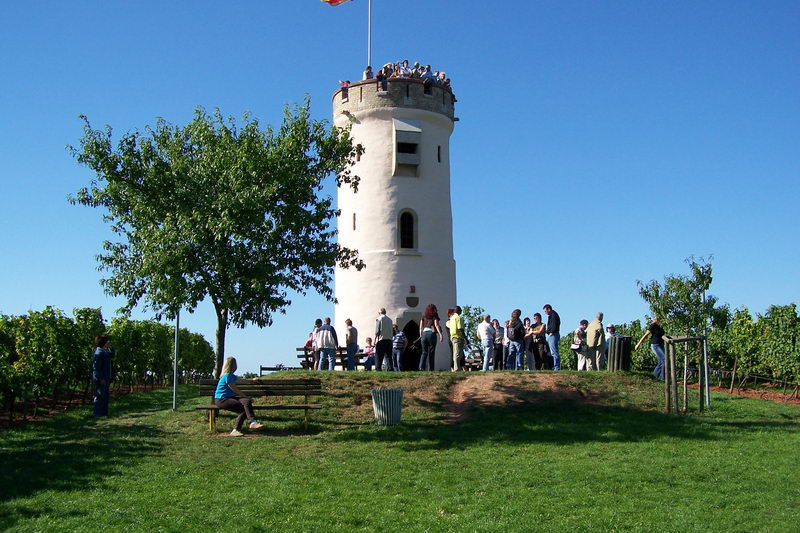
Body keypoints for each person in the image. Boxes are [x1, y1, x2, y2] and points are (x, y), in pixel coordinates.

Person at [214, 356, 264, 437]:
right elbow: (234, 389)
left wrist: (252, 381)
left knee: (246, 402)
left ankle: (252, 422)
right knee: (244, 408)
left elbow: (242, 380)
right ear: (232, 365)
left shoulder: (231, 376)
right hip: (222, 399)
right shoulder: (227, 376)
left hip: (230, 397)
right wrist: (246, 396)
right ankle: (236, 430)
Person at [92, 334, 114, 417]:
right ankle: (97, 413)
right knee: (100, 395)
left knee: (105, 395)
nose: (108, 342)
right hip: (101, 377)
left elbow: (112, 355)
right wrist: (100, 378)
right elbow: (96, 367)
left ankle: (104, 413)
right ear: (103, 342)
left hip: (106, 376)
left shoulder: (104, 351)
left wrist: (110, 347)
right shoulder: (99, 352)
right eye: (107, 341)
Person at [419, 304, 444, 371]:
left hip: (424, 334)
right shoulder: (434, 316)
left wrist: (421, 335)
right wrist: (440, 335)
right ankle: (431, 369)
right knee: (431, 352)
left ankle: (421, 367)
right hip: (431, 334)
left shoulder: (423, 316)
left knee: (424, 352)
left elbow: (421, 327)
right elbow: (436, 325)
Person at [543, 304, 561, 370]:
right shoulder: (552, 315)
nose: (545, 313)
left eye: (545, 311)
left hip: (553, 335)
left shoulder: (553, 315)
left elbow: (553, 326)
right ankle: (556, 366)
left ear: (549, 309)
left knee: (554, 352)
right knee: (554, 352)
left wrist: (550, 332)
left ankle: (557, 367)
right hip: (553, 334)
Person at [449, 305, 466, 371]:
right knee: (458, 354)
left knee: (456, 353)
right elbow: (460, 328)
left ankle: (456, 367)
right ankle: (457, 368)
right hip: (458, 337)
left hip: (453, 337)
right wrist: (466, 338)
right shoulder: (458, 318)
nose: (461, 311)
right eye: (460, 309)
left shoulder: (452, 318)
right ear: (458, 310)